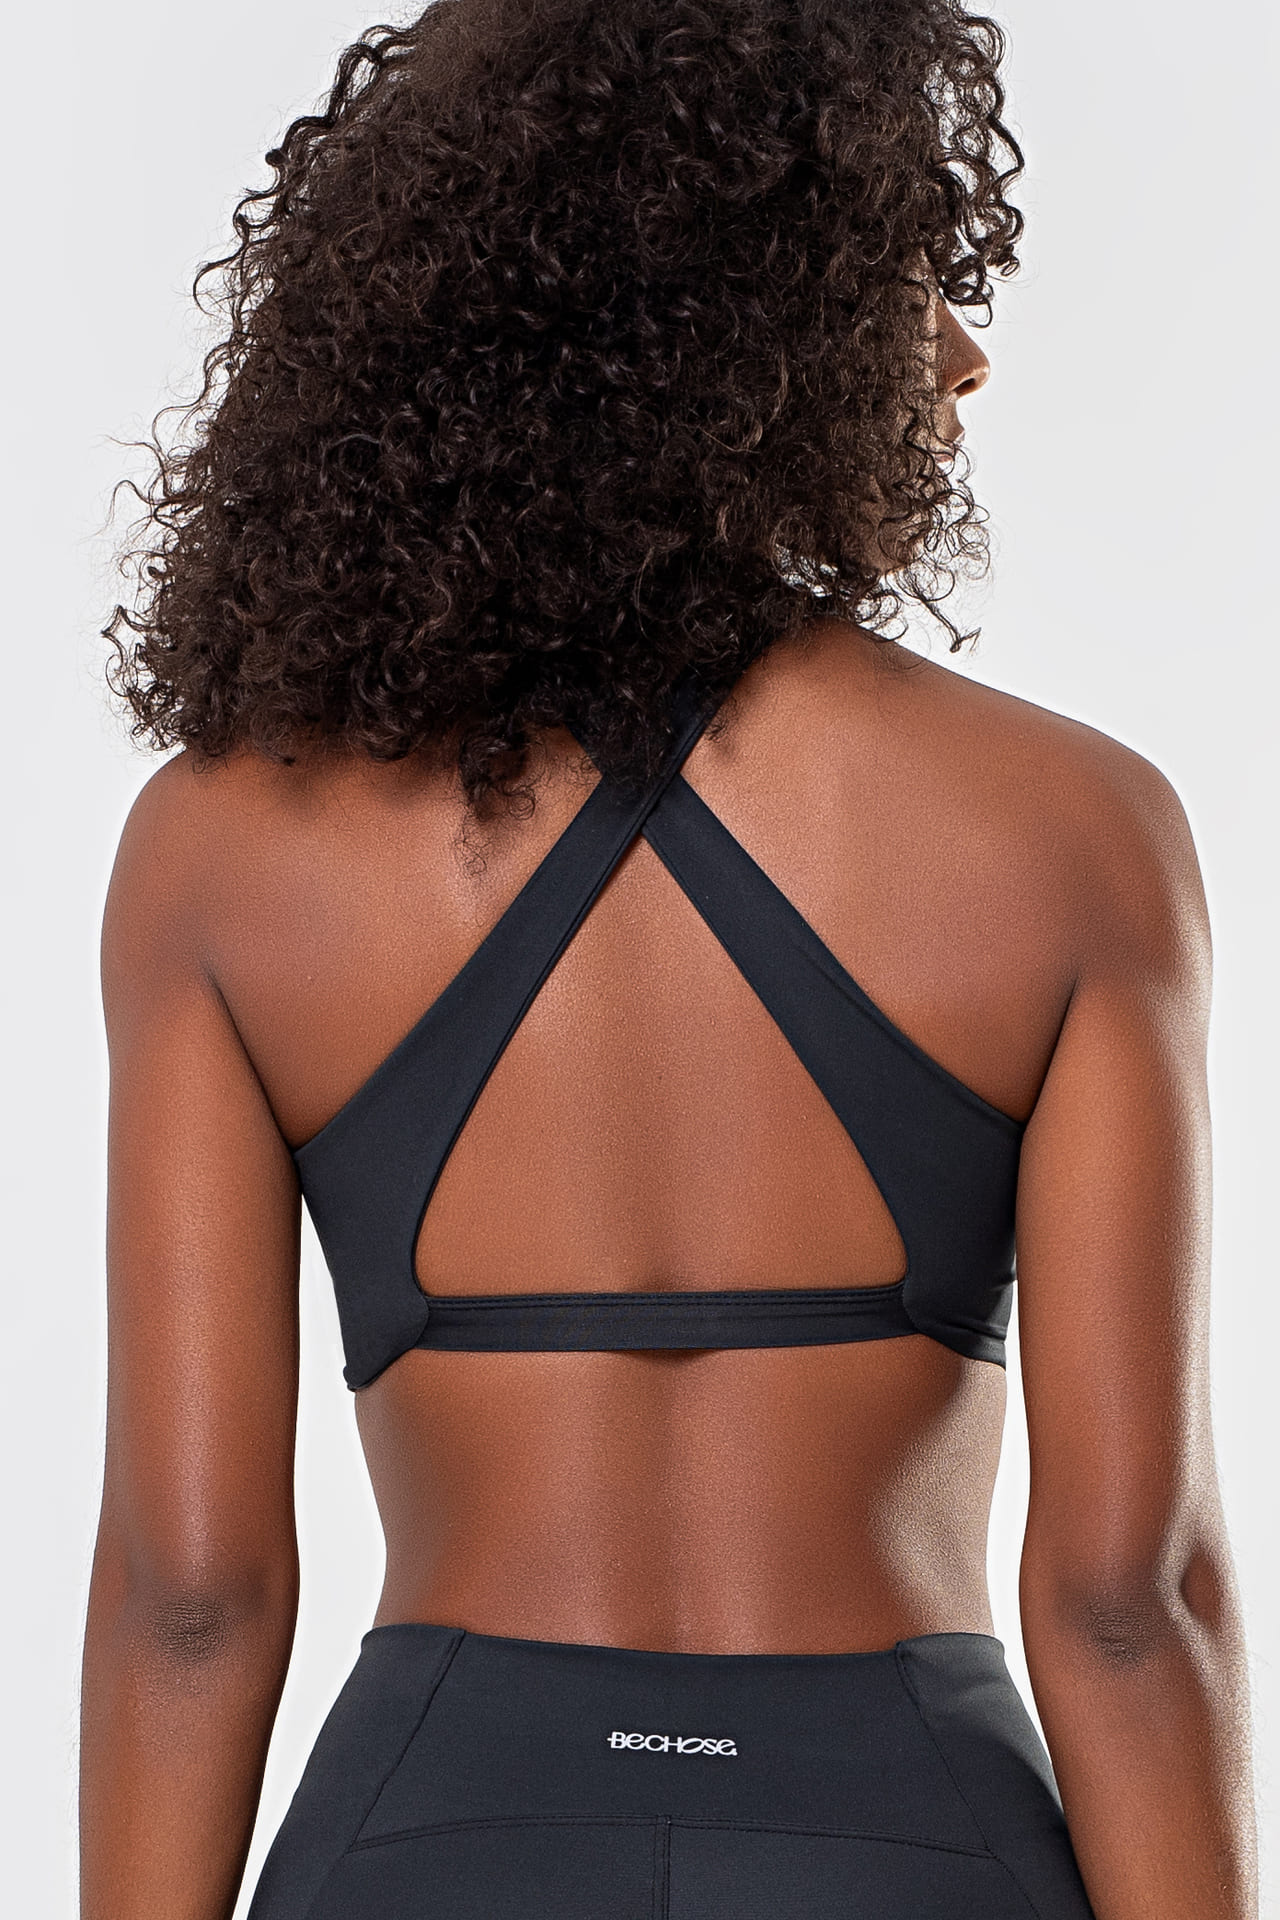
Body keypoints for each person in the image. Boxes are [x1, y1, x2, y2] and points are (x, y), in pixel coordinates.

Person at [79, 1, 1258, 1915]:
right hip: (911, 1842)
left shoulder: (223, 853)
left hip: (431, 1842)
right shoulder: (1074, 833)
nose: (960, 352)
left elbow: (190, 1591)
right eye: (904, 275)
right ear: (748, 328)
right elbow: (1132, 1602)